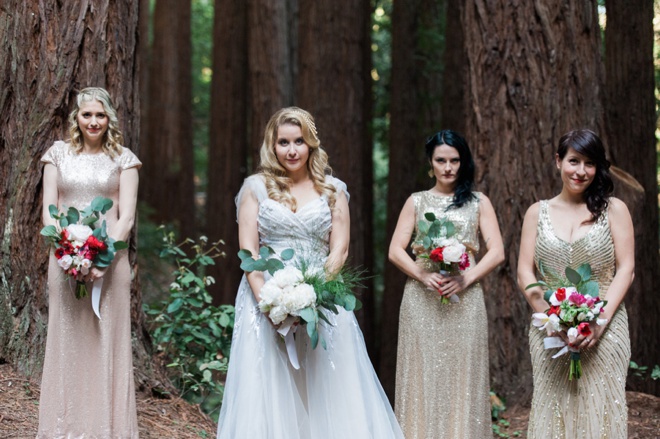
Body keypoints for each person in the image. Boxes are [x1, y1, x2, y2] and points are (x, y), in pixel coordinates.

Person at [216, 107, 403, 439]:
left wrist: (317, 296)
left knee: (326, 383)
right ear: (272, 146)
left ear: (311, 144)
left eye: (299, 141)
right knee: (269, 386)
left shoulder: (333, 189)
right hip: (265, 297)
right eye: (283, 142)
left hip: (323, 298)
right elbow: (249, 253)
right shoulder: (255, 188)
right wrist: (271, 306)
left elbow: (339, 250)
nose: (291, 150)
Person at [517, 129, 633, 438]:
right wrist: (551, 319)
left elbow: (627, 269)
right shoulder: (535, 213)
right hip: (550, 330)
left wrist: (600, 323)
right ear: (558, 161)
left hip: (605, 328)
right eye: (573, 161)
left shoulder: (615, 210)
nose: (581, 171)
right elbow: (524, 272)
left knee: (601, 408)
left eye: (590, 163)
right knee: (553, 410)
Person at [38, 87, 141, 438]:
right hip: (64, 261)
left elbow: (126, 218)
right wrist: (67, 256)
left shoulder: (124, 160)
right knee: (67, 340)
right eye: (87, 115)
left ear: (109, 118)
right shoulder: (57, 155)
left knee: (106, 340)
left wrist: (103, 260)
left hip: (111, 264)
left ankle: (106, 428)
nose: (93, 122)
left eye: (100, 115)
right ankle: (62, 428)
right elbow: (49, 214)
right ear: (76, 119)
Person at [389, 130, 504, 438]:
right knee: (422, 372)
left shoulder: (479, 202)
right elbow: (395, 250)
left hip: (465, 299)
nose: (448, 167)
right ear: (431, 162)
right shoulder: (416, 201)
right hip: (421, 298)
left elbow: (497, 252)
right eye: (441, 160)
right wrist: (423, 275)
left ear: (463, 162)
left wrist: (466, 278)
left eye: (455, 160)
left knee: (463, 374)